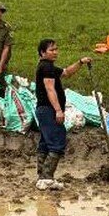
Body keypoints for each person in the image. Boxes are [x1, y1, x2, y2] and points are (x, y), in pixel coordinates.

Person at [34, 39, 92, 190]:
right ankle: (46, 178)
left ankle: (42, 177)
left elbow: (66, 73)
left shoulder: (48, 66)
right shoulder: (46, 68)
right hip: (48, 110)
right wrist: (58, 110)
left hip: (44, 110)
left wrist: (80, 62)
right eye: (51, 50)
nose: (55, 52)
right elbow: (50, 89)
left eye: (56, 49)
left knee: (45, 143)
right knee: (57, 143)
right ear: (42, 52)